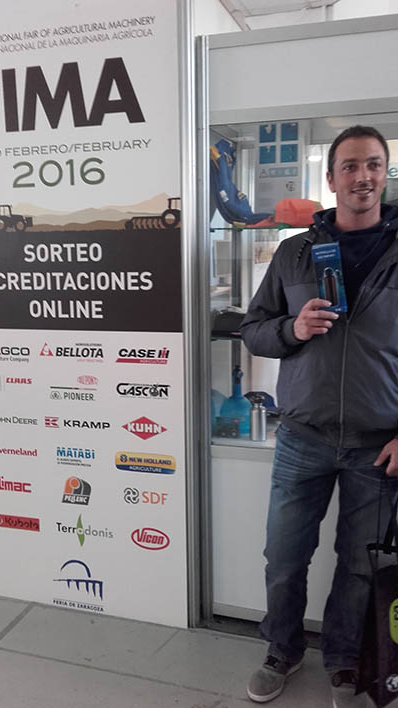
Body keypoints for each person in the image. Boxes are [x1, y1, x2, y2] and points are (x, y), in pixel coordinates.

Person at [240, 125, 398, 708]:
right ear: (330, 179)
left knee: (358, 565)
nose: (363, 176)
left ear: (385, 174)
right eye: (350, 166)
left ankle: (343, 660)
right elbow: (253, 330)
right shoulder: (295, 252)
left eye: (373, 164)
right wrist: (293, 328)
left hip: (377, 444)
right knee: (283, 559)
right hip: (301, 437)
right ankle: (280, 650)